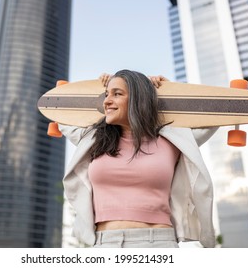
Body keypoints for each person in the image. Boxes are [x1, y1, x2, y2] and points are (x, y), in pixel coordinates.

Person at [59, 69, 217, 248]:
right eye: (105, 95)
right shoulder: (93, 140)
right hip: (105, 243)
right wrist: (94, 88)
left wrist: (171, 91)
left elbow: (214, 116)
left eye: (117, 94)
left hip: (159, 243)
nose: (107, 101)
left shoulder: (172, 140)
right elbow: (60, 115)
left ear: (138, 99)